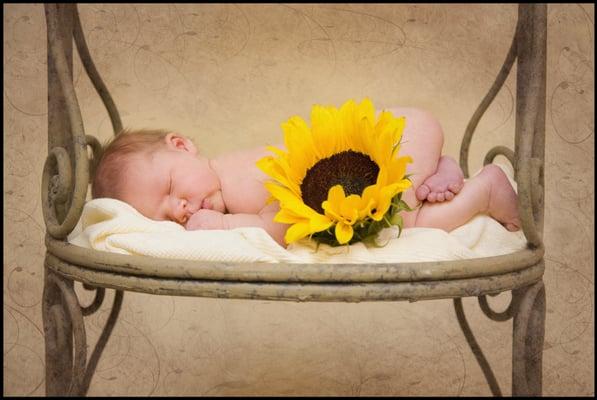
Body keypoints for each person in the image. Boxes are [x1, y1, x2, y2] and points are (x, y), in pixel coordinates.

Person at [91, 106, 521, 248]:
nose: (180, 212)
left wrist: (223, 224)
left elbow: (284, 221)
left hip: (395, 136)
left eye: (169, 190)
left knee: (401, 224)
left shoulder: (234, 179)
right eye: (164, 216)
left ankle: (486, 190)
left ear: (182, 145)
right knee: (397, 203)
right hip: (403, 136)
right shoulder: (229, 181)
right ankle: (440, 168)